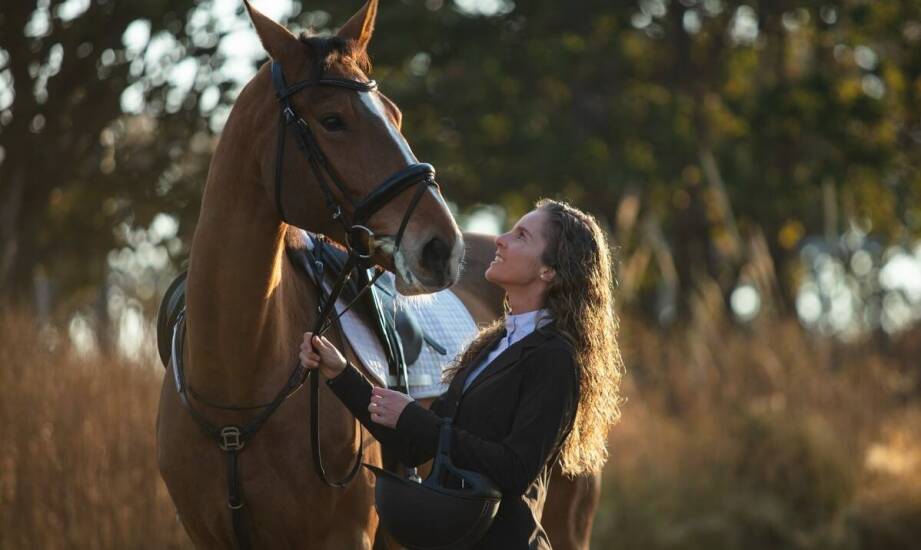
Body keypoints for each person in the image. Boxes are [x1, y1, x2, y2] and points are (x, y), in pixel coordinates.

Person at [300, 198, 624, 549]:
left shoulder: (556, 357)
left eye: (521, 236)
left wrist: (415, 417)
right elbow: (413, 446)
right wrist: (340, 373)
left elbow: (514, 469)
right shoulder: (492, 344)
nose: (500, 239)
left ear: (549, 270)